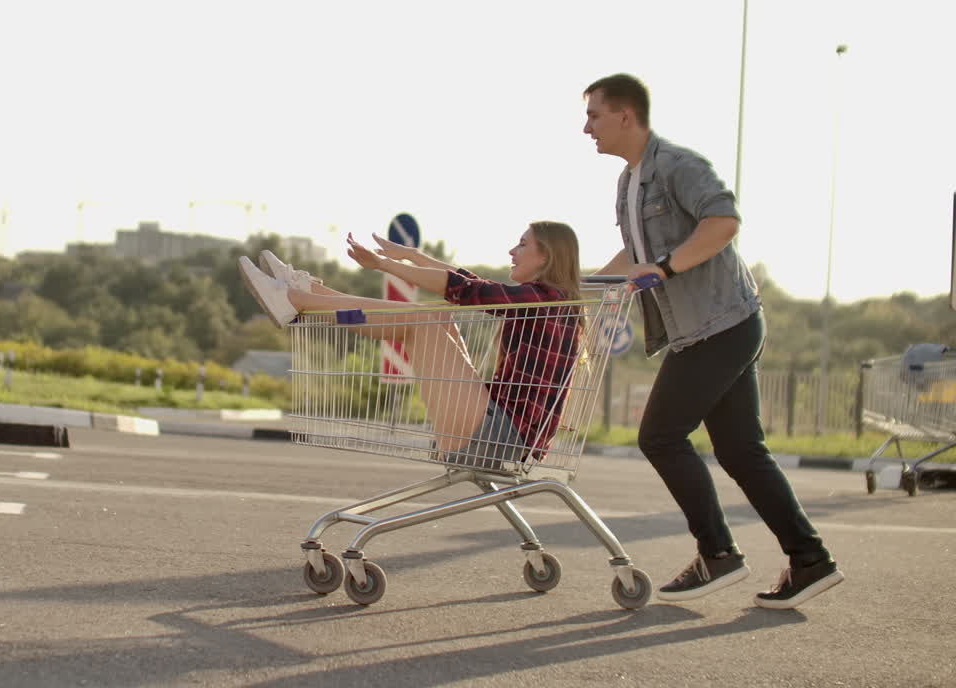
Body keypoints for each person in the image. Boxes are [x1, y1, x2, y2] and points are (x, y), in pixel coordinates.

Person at [582, 73, 844, 609]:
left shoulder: (679, 165)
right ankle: (810, 560)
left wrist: (667, 268)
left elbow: (723, 221)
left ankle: (718, 553)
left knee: (660, 436)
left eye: (594, 116)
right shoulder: (628, 183)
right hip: (703, 328)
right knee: (742, 451)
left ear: (626, 116)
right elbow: (633, 258)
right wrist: (579, 288)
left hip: (723, 323)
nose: (586, 127)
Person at [237, 222, 582, 469]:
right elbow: (474, 284)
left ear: (545, 257)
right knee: (436, 319)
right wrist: (413, 256)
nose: (512, 250)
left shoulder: (547, 300)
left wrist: (386, 264)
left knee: (423, 322)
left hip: (498, 438)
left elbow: (469, 290)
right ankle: (308, 294)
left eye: (522, 244)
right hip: (496, 430)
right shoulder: (546, 299)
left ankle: (298, 297)